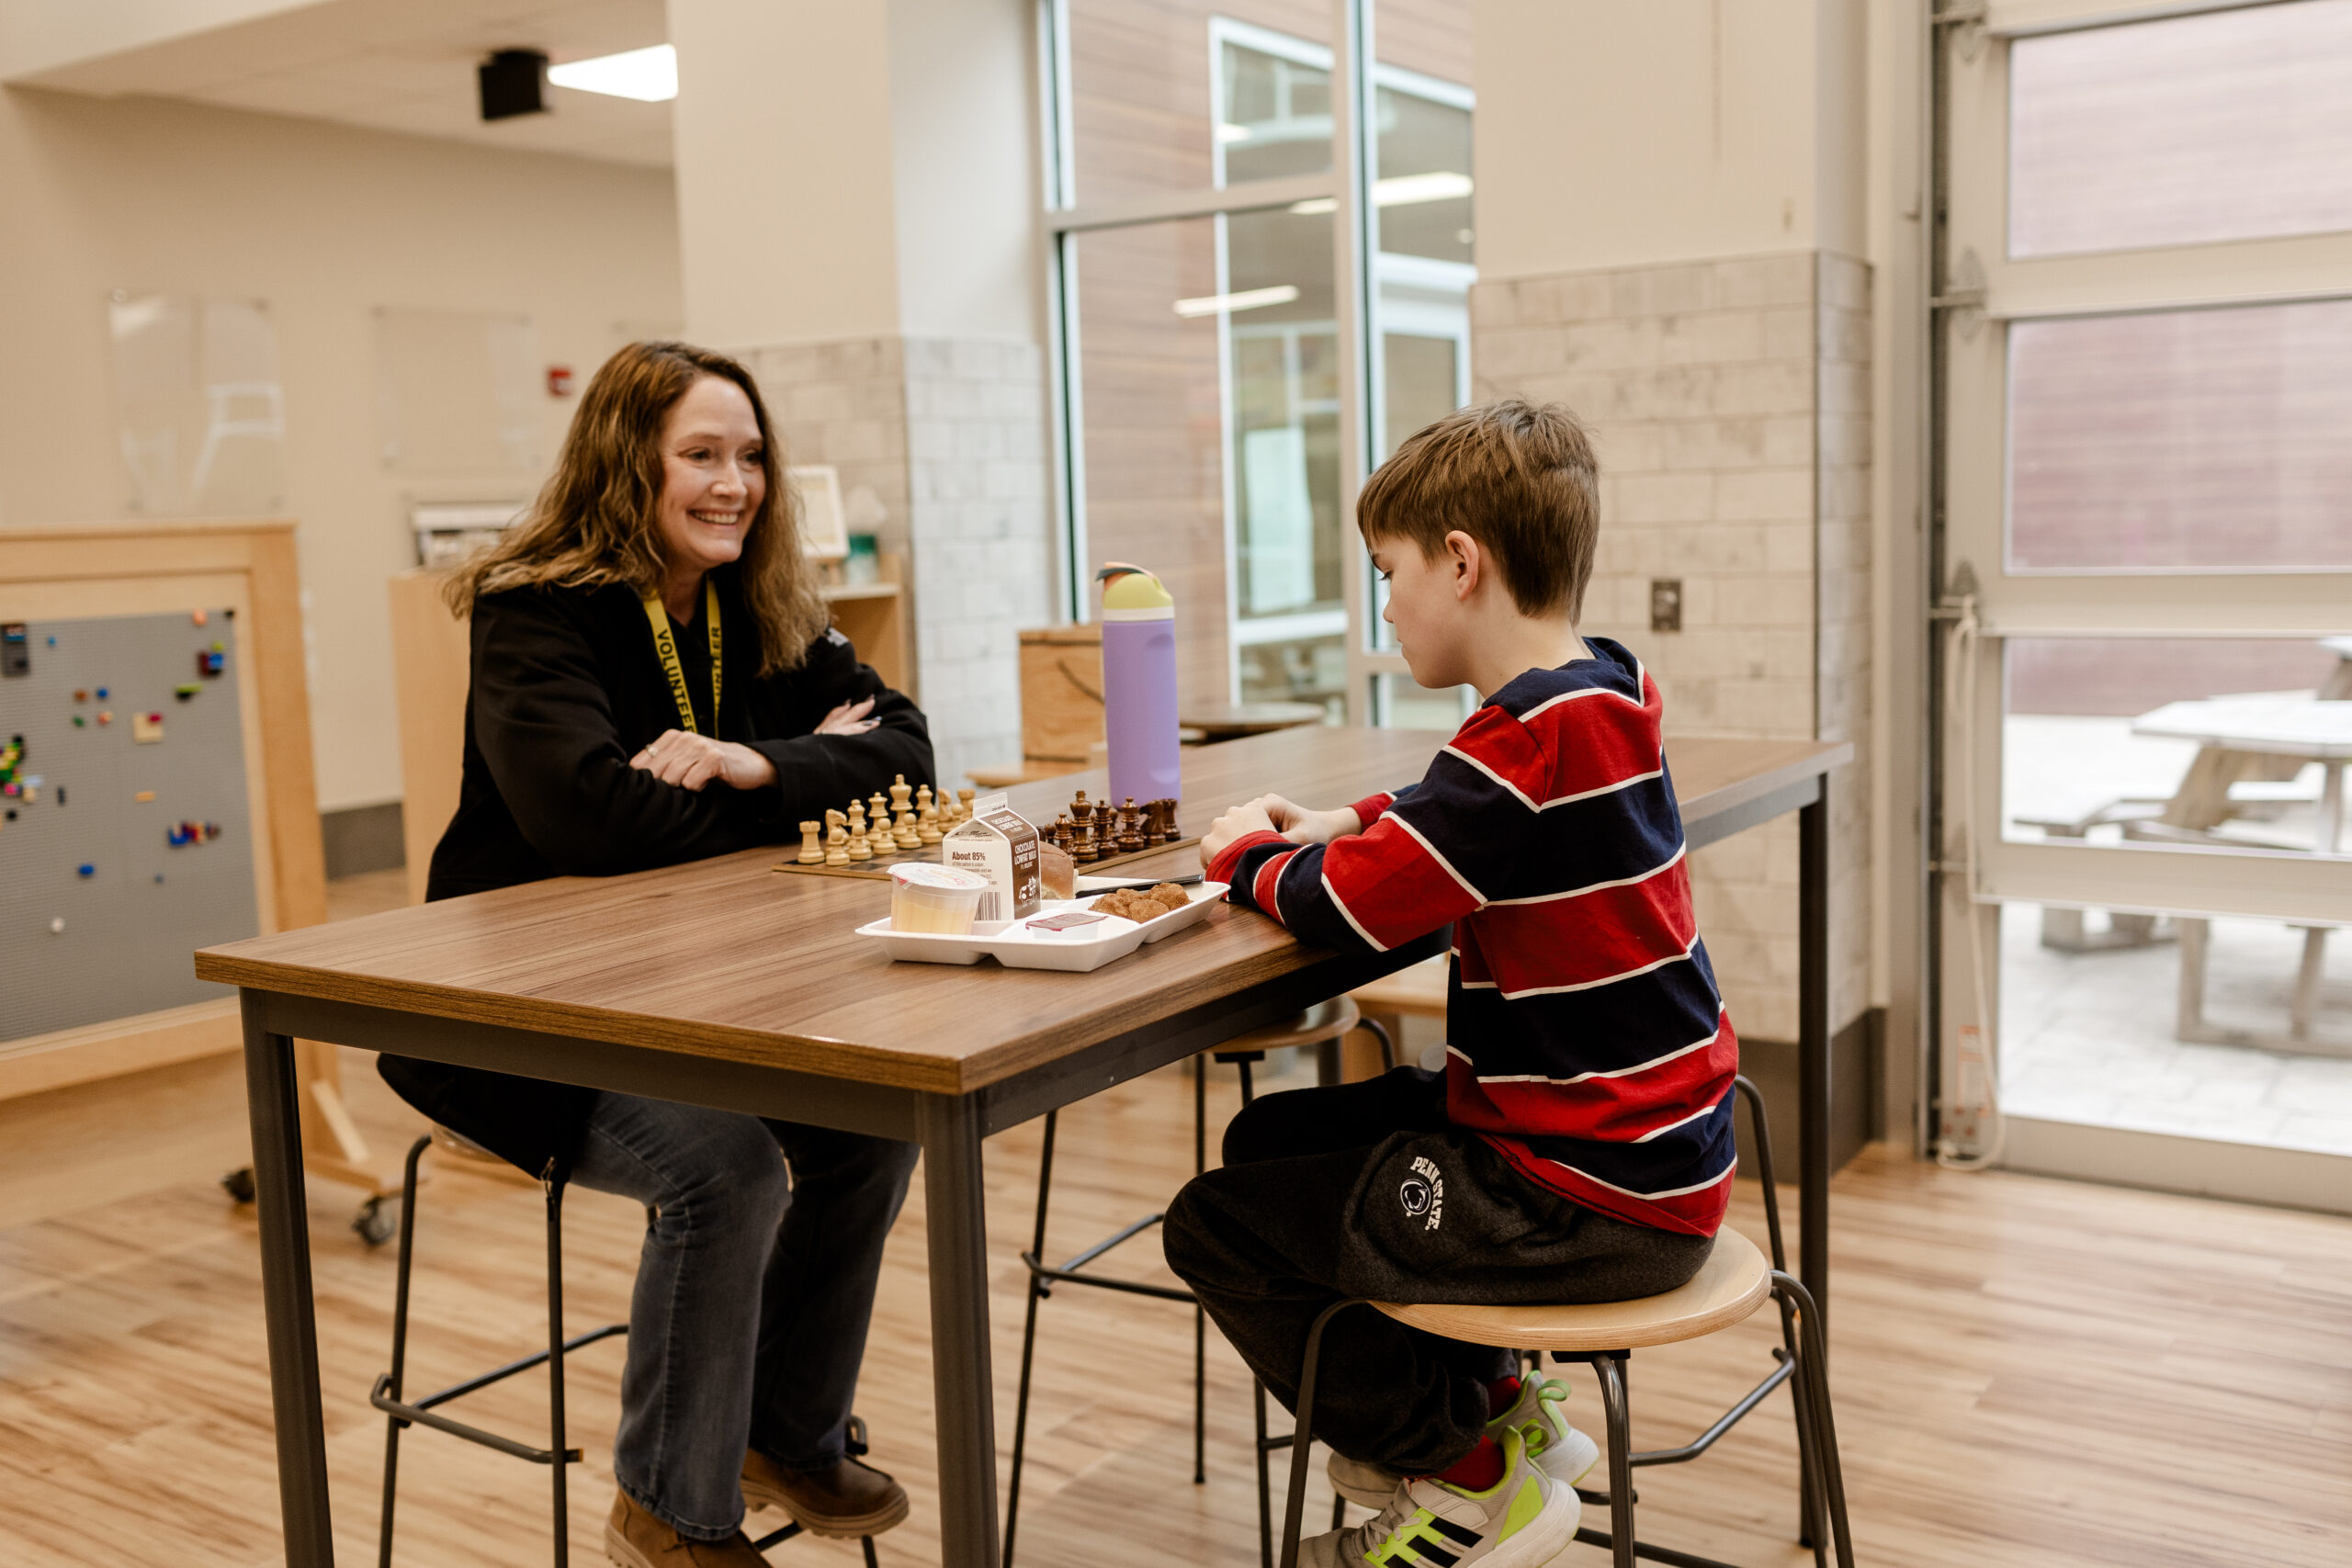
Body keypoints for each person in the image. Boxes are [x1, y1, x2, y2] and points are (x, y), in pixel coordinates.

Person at [377, 341, 933, 1568]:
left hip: (688, 992)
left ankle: (783, 1431)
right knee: (725, 1168)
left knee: (874, 1124)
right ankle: (669, 1513)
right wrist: (794, 787)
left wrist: (751, 762)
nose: (734, 482)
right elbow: (584, 814)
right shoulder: (537, 607)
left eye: (750, 456)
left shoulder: (765, 600)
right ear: (629, 462)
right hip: (513, 1010)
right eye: (700, 454)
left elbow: (907, 752)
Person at [1173, 400, 1736, 1568]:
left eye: (1391, 573)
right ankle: (1494, 1414)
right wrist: (1345, 817)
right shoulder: (1599, 692)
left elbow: (1358, 901)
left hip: (1578, 1196)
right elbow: (1449, 819)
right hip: (1641, 1153)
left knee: (1214, 1229)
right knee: (1273, 1141)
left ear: (1461, 564)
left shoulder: (1522, 742)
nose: (1386, 604)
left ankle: (1471, 1481)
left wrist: (1247, 857)